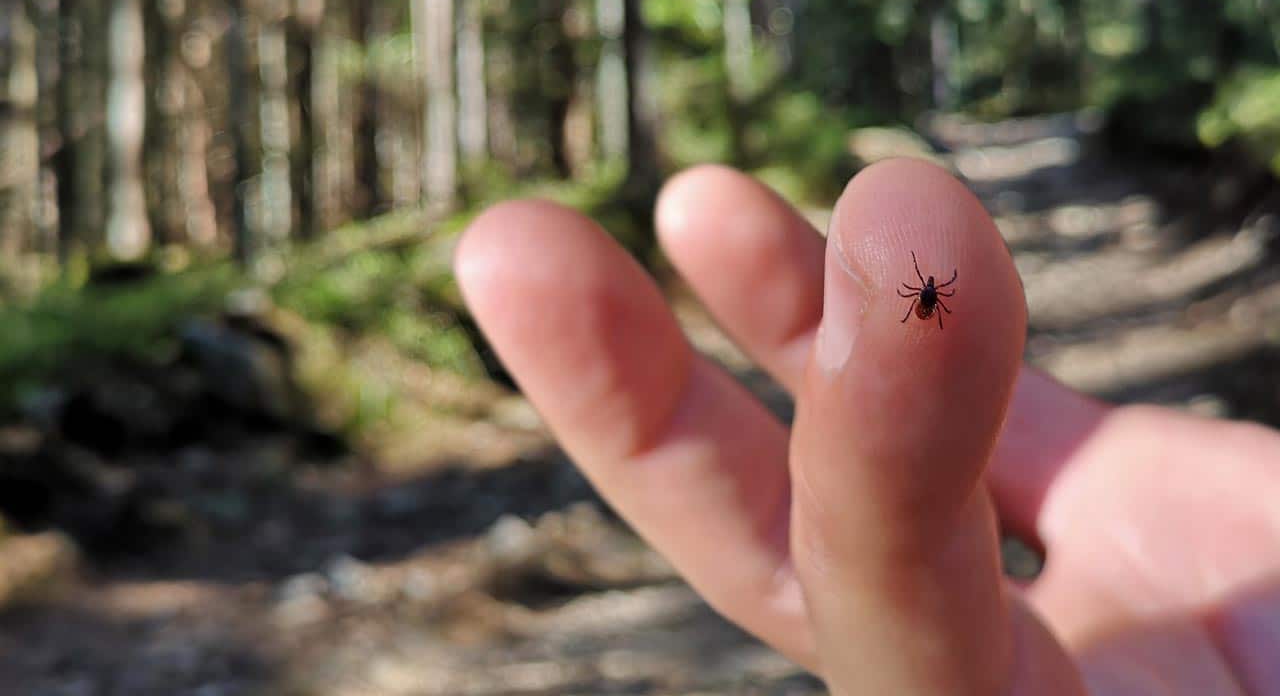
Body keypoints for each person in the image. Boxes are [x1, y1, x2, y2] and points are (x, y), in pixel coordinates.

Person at [453, 158, 1280, 695]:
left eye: (927, 293)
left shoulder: (931, 295)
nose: (927, 296)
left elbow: (933, 294)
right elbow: (931, 293)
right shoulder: (929, 293)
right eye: (925, 293)